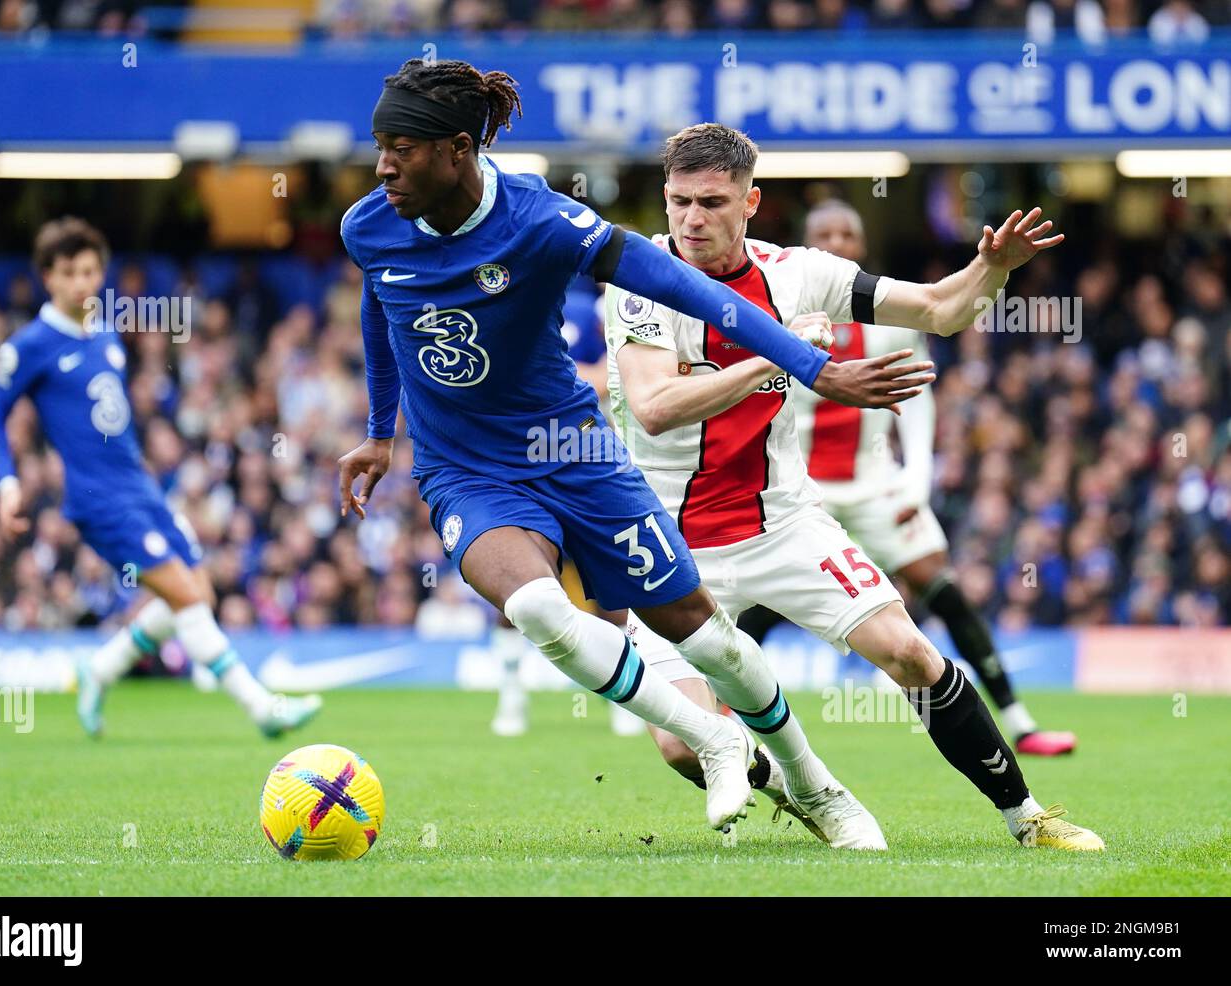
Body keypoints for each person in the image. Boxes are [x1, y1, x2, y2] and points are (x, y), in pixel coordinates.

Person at [337, 58, 930, 835]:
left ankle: (815, 786)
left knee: (704, 633)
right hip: (466, 471)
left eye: (401, 149)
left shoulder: (541, 220)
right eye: (380, 145)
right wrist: (382, 434)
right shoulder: (368, 225)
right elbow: (380, 310)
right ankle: (715, 738)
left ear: (456, 149)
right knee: (538, 608)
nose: (383, 167)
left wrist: (813, 365)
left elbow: (695, 291)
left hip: (575, 453)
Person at [604, 123, 1102, 850]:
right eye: (679, 202)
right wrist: (788, 354)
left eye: (711, 202)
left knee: (909, 652)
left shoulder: (799, 273)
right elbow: (654, 407)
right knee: (683, 745)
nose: (691, 221)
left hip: (783, 523)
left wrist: (993, 268)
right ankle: (814, 794)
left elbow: (938, 308)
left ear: (751, 202)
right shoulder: (641, 282)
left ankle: (1027, 818)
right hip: (670, 548)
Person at [741, 198, 1078, 758]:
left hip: (876, 485)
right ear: (805, 245)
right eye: (823, 232)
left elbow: (919, 397)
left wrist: (916, 478)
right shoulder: (779, 307)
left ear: (861, 246)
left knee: (942, 589)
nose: (836, 241)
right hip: (803, 491)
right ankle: (716, 708)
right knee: (769, 603)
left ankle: (1019, 722)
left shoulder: (884, 315)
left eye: (847, 232)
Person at [0, 217, 322, 739]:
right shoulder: (29, 346)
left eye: (91, 270)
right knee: (186, 596)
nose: (82, 282)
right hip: (97, 500)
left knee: (197, 594)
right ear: (48, 277)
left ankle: (99, 670)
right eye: (69, 272)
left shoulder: (105, 332)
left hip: (139, 487)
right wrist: (8, 487)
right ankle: (261, 708)